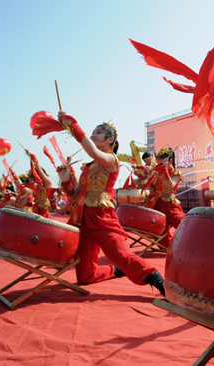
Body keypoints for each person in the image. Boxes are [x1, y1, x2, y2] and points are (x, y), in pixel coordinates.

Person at [56, 111, 165, 295]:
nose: (93, 135)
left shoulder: (111, 161)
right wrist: (65, 179)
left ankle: (154, 278)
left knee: (120, 254)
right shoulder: (88, 168)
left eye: (97, 132)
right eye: (93, 132)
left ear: (110, 140)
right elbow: (75, 197)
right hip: (82, 218)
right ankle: (115, 270)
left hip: (101, 216)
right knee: (85, 276)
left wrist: (73, 126)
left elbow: (91, 150)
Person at [146, 147, 185, 248]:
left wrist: (165, 172)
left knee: (183, 224)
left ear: (170, 161)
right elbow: (153, 191)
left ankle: (191, 242)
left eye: (162, 164)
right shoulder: (159, 174)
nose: (159, 166)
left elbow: (170, 185)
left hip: (170, 206)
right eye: (158, 164)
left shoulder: (176, 173)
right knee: (161, 237)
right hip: (158, 205)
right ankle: (172, 248)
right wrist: (150, 178)